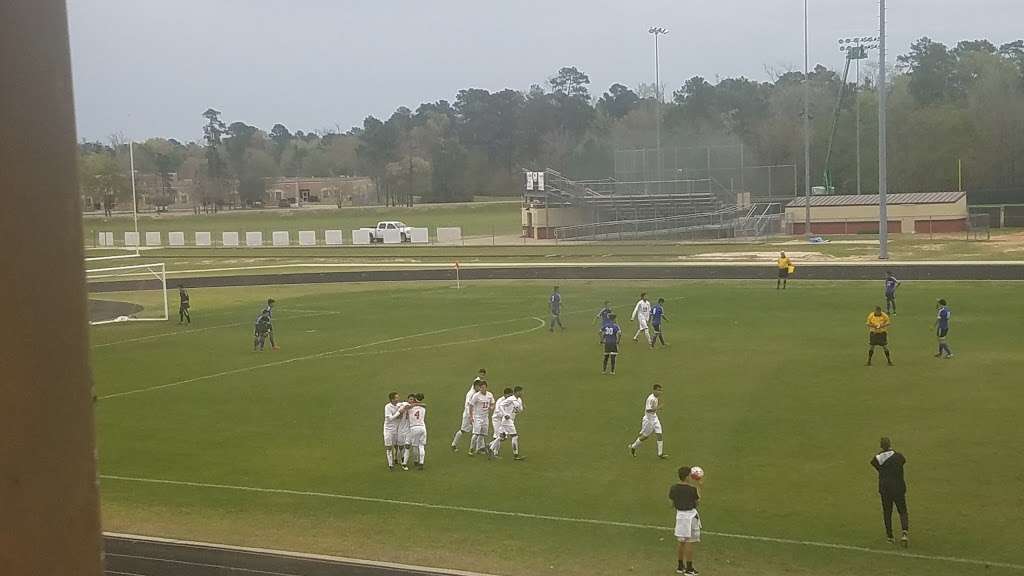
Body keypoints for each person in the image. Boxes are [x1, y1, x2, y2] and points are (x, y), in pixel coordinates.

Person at [870, 437, 909, 547]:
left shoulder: (878, 458)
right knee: (902, 510)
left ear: (881, 446)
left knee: (887, 512)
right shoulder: (898, 456)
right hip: (898, 487)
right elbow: (903, 462)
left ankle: (890, 537)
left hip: (885, 489)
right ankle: (904, 533)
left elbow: (875, 464)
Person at [670, 466, 703, 575]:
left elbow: (672, 503)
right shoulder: (692, 489)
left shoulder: (673, 488)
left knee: (681, 541)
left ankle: (680, 566)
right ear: (687, 476)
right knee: (689, 542)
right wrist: (698, 486)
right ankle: (689, 568)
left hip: (680, 516)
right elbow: (697, 502)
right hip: (690, 517)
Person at [629, 384, 667, 459]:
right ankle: (633, 446)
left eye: (660, 390)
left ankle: (660, 454)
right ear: (654, 390)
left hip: (655, 418)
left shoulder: (656, 397)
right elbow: (648, 410)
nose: (660, 392)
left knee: (659, 434)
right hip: (649, 420)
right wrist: (658, 408)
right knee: (645, 437)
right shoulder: (651, 399)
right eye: (658, 390)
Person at [451, 369, 485, 451]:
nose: (480, 389)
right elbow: (467, 406)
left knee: (480, 430)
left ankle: (481, 448)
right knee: (463, 430)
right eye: (479, 387)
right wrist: (470, 417)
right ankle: (454, 444)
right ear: (475, 386)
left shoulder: (477, 393)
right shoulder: (470, 394)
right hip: (468, 415)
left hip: (474, 415)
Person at [467, 381, 494, 456]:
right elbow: (471, 405)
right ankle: (471, 449)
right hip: (477, 417)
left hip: (485, 417)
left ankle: (478, 449)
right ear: (479, 388)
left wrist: (491, 407)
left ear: (486, 387)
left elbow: (492, 403)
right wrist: (470, 417)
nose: (483, 389)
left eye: (484, 387)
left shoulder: (489, 395)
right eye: (481, 387)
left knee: (483, 434)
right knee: (476, 434)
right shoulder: (476, 396)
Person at [487, 387, 515, 459]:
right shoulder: (500, 401)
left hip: (503, 420)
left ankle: (490, 445)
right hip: (497, 420)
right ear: (505, 395)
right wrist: (505, 415)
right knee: (499, 435)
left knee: (503, 437)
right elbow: (498, 412)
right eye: (509, 395)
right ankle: (494, 452)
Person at [406, 394, 427, 471]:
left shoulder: (410, 407)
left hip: (414, 428)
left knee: (415, 446)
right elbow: (424, 405)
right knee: (421, 446)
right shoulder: (423, 408)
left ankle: (415, 461)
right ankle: (421, 462)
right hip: (422, 427)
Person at [396, 393, 416, 470]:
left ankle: (404, 463)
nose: (411, 401)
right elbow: (399, 407)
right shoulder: (404, 404)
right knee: (400, 446)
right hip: (401, 429)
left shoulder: (415, 407)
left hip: (409, 429)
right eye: (410, 399)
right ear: (408, 399)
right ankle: (399, 458)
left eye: (413, 400)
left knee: (407, 446)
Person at [383, 392, 402, 471]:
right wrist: (399, 413)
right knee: (389, 447)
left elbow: (407, 403)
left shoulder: (399, 405)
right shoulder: (387, 407)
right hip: (388, 430)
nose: (398, 399)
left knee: (396, 445)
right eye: (396, 398)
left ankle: (395, 458)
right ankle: (391, 465)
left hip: (396, 429)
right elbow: (390, 418)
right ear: (392, 399)